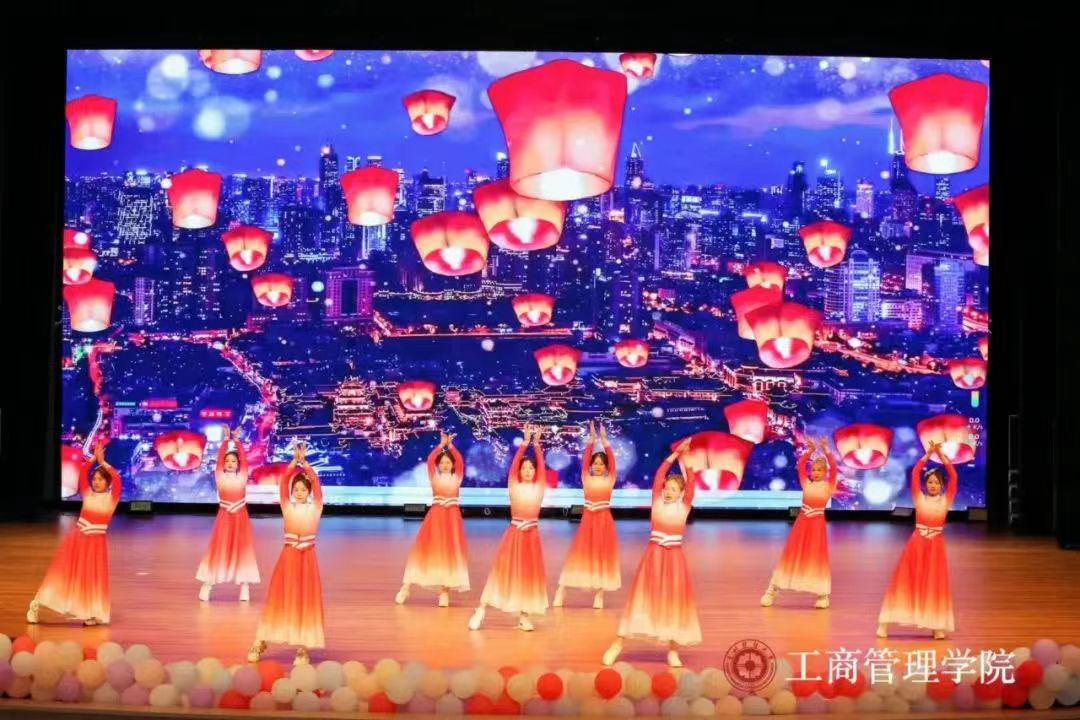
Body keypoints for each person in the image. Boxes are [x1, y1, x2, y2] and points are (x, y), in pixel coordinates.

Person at [603, 438, 700, 668]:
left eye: (673, 489)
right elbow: (659, 475)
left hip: (674, 560)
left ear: (681, 493)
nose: (668, 491)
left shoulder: (684, 506)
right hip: (653, 557)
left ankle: (673, 651)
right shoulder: (657, 501)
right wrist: (674, 455)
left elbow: (691, 483)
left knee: (673, 602)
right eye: (667, 488)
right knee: (641, 600)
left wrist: (686, 458)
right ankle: (617, 644)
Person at [248, 441, 325, 665]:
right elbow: (283, 484)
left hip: (307, 558)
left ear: (309, 492)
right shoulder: (287, 506)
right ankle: (261, 640)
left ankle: (302, 647)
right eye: (296, 490)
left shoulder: (316, 507)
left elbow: (317, 485)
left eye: (303, 490)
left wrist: (306, 465)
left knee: (304, 600)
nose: (299, 493)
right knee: (279, 597)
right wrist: (292, 464)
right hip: (289, 557)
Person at [27, 441, 120, 626]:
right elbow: (83, 472)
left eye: (101, 479)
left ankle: (91, 613)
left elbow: (117, 478)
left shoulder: (112, 498)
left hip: (96, 544)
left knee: (91, 579)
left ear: (107, 483)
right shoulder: (88, 494)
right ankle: (36, 604)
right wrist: (93, 459)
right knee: (62, 574)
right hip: (78, 539)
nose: (96, 482)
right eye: (95, 479)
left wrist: (103, 462)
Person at [469, 424, 548, 632]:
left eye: (531, 468)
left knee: (528, 576)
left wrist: (537, 445)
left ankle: (524, 616)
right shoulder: (514, 484)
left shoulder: (539, 486)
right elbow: (513, 466)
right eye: (524, 468)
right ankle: (481, 609)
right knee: (502, 573)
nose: (528, 471)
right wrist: (525, 443)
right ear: (519, 471)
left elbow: (541, 466)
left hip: (531, 537)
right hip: (514, 534)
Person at [877, 441, 958, 640]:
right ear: (925, 484)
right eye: (929, 482)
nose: (932, 485)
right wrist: (927, 455)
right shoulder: (919, 498)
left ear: (942, 485)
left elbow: (954, 476)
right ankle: (885, 623)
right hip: (917, 544)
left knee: (934, 583)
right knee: (906, 580)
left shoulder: (946, 500)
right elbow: (915, 473)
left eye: (936, 482)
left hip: (935, 546)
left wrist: (941, 455)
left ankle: (936, 625)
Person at [761, 437, 837, 609]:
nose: (816, 473)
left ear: (825, 472)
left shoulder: (829, 486)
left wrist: (826, 450)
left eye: (820, 470)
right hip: (802, 524)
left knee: (816, 557)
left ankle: (822, 595)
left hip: (817, 526)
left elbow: (834, 468)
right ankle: (772, 590)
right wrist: (810, 451)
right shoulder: (806, 483)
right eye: (814, 470)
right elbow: (801, 464)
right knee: (791, 555)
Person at [396, 432, 469, 607]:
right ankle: (405, 587)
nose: (445, 465)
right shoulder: (434, 476)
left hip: (452, 519)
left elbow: (460, 461)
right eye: (442, 463)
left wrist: (451, 446)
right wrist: (441, 445)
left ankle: (444, 593)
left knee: (449, 554)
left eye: (448, 462)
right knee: (425, 551)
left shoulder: (457, 477)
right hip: (435, 517)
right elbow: (430, 460)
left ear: (453, 465)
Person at [553, 420, 620, 609]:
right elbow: (584, 460)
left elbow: (612, 461)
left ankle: (599, 594)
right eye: (595, 463)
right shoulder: (586, 477)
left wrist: (604, 440)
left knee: (602, 557)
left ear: (606, 467)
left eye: (602, 464)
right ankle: (561, 590)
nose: (598, 466)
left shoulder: (610, 478)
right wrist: (591, 440)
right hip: (588, 521)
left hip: (604, 522)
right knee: (578, 556)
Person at [197, 427, 260, 602]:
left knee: (242, 549)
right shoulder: (220, 475)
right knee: (219, 548)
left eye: (233, 461)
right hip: (225, 516)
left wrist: (237, 440)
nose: (230, 463)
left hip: (240, 517)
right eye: (227, 461)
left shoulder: (242, 476)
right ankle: (208, 584)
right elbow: (219, 460)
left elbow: (245, 460)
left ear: (238, 464)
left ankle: (244, 586)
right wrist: (226, 440)